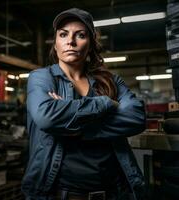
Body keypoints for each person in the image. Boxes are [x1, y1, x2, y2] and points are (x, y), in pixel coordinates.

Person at [22, 8, 146, 200]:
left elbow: (136, 118)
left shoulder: (110, 81)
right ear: (55, 44)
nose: (70, 41)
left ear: (91, 44)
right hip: (60, 194)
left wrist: (74, 127)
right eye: (63, 34)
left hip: (114, 192)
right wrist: (104, 104)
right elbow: (46, 118)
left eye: (80, 35)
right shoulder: (41, 78)